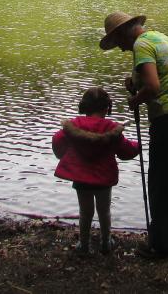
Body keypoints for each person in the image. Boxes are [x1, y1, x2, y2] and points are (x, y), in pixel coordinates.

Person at [99, 11, 168, 259]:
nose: (122, 50)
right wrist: (136, 82)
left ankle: (163, 245)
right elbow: (161, 76)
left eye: (119, 43)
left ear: (123, 33)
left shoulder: (141, 46)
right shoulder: (158, 38)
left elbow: (154, 88)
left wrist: (136, 99)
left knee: (161, 180)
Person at [52, 87, 140, 254]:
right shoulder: (112, 128)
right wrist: (138, 147)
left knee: (85, 212)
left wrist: (62, 154)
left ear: (84, 106)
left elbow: (57, 141)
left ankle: (84, 245)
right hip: (103, 178)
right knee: (104, 211)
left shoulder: (74, 126)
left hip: (81, 178)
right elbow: (125, 151)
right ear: (107, 107)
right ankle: (106, 243)